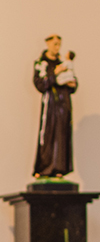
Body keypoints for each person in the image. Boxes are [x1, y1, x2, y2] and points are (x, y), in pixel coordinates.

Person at [33, 34, 77, 178]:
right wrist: (55, 75)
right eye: (55, 44)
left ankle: (60, 168)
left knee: (62, 134)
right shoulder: (42, 63)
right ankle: (44, 168)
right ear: (48, 44)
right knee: (48, 134)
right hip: (50, 105)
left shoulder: (63, 62)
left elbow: (72, 80)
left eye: (59, 44)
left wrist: (72, 83)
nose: (57, 47)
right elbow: (40, 84)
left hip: (63, 105)